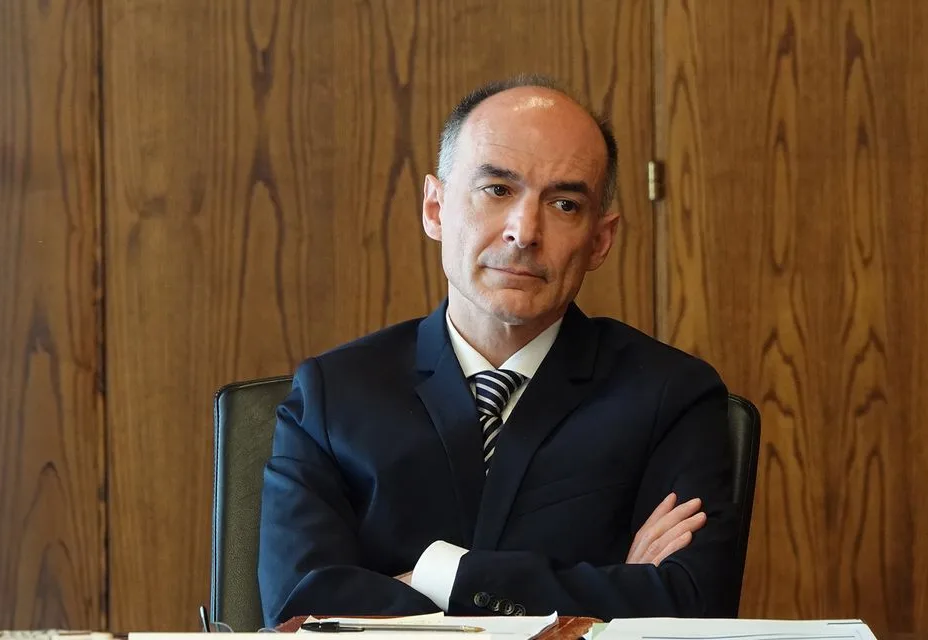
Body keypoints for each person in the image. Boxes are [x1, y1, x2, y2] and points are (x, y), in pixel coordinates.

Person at [258, 75, 742, 626]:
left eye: (564, 204)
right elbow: (303, 616)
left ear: (600, 240)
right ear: (435, 208)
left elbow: (689, 606)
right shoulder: (333, 395)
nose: (524, 231)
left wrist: (437, 578)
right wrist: (612, 590)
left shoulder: (670, 395)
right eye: (497, 190)